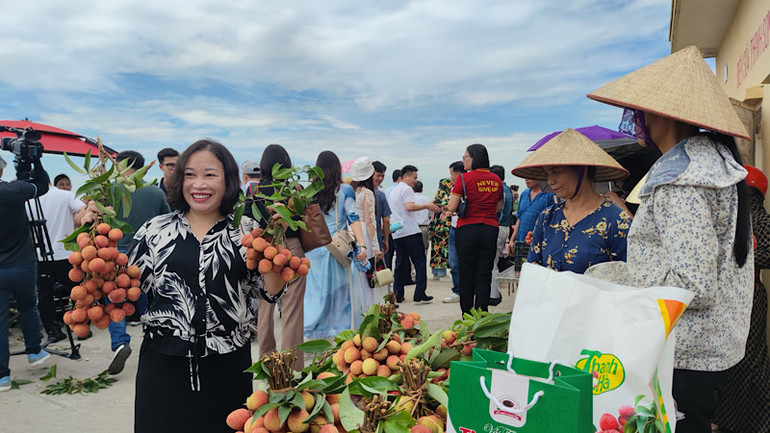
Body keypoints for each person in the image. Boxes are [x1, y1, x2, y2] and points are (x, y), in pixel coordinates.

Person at [584, 46, 753, 433]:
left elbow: (693, 283)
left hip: (685, 352)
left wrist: (619, 281)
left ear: (665, 114)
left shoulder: (682, 178)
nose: (637, 120)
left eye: (641, 111)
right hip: (711, 346)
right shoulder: (714, 161)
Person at [120, 139, 285, 432]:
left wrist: (274, 248)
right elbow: (125, 286)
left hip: (227, 365)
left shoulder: (246, 232)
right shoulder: (155, 230)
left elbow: (270, 291)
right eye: (190, 174)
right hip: (163, 364)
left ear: (228, 180)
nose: (200, 184)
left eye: (210, 174)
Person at [511, 129, 631, 274]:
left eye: (556, 171)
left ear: (583, 170)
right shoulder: (547, 218)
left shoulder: (616, 220)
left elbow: (627, 277)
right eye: (547, 174)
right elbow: (534, 268)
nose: (550, 181)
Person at [712, 165, 770, 433]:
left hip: (737, 299)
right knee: (749, 363)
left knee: (737, 362)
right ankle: (749, 423)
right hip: (750, 298)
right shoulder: (756, 219)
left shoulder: (740, 217)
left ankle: (733, 423)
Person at [107, 151, 171, 375]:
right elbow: (168, 223)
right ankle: (151, 343)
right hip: (148, 254)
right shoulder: (155, 192)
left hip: (116, 253)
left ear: (120, 164)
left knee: (115, 301)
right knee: (147, 301)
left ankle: (120, 343)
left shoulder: (110, 189)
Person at [0, 153, 51, 392]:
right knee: (28, 306)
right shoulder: (14, 191)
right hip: (22, 264)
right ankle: (34, 351)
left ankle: (2, 377)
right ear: (1, 171)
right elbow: (42, 185)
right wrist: (35, 160)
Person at [254, 144, 307, 371]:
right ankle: (291, 369)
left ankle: (267, 363)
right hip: (292, 249)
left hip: (264, 250)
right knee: (292, 309)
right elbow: (304, 217)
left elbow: (250, 222)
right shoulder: (295, 189)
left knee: (264, 306)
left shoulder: (255, 191)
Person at [303, 151, 367, 338]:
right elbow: (353, 218)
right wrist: (361, 245)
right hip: (337, 249)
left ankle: (312, 332)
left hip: (314, 249)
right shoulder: (345, 190)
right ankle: (339, 333)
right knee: (339, 294)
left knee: (315, 294)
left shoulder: (309, 192)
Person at [446, 145, 503, 314]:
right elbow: (498, 207)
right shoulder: (496, 180)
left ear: (474, 158)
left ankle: (467, 313)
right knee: (484, 273)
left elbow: (452, 206)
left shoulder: (463, 179)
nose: (464, 160)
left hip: (467, 229)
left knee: (466, 271)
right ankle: (482, 311)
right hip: (490, 228)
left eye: (465, 157)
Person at [36, 180, 88, 344]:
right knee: (76, 292)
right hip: (66, 254)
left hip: (40, 256)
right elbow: (82, 211)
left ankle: (53, 332)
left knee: (45, 296)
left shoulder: (28, 199)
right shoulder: (65, 195)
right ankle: (80, 329)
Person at [387, 165, 440, 304]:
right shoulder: (407, 189)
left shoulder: (393, 191)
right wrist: (427, 206)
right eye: (414, 178)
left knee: (401, 262)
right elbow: (409, 207)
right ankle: (420, 292)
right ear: (406, 176)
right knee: (420, 261)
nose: (415, 181)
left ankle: (398, 293)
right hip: (410, 229)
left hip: (398, 231)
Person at [350, 157, 388, 316]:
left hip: (354, 233)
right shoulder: (368, 194)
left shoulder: (354, 191)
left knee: (358, 277)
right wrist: (376, 247)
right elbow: (371, 222)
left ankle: (359, 312)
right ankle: (369, 311)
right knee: (369, 276)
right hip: (365, 234)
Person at [487, 165, 514, 305]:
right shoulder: (508, 189)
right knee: (495, 261)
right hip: (505, 227)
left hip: (497, 227)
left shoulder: (499, 190)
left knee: (491, 263)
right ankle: (494, 293)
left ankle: (493, 294)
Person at [442, 161, 466, 303]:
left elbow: (453, 208)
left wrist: (449, 210)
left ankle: (462, 290)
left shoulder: (465, 186)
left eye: (451, 174)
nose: (450, 177)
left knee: (460, 261)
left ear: (458, 173)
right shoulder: (455, 188)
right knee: (454, 261)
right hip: (454, 227)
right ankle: (457, 290)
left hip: (463, 228)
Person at [429, 175, 452, 281]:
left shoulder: (437, 196)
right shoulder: (447, 197)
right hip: (444, 227)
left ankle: (436, 272)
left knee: (436, 248)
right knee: (443, 249)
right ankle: (442, 273)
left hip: (436, 227)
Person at [371, 161, 392, 260]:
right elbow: (386, 220)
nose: (381, 179)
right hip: (376, 239)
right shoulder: (380, 195)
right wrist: (386, 240)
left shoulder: (355, 192)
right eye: (378, 175)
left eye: (383, 176)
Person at [383, 168, 401, 270]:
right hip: (399, 226)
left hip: (389, 226)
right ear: (400, 178)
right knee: (400, 253)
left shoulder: (386, 191)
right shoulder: (402, 190)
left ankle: (388, 272)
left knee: (388, 252)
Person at [412, 181, 432, 259]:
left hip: (412, 227)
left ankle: (413, 269)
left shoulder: (410, 199)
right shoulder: (426, 199)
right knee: (424, 249)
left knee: (412, 249)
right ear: (422, 189)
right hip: (424, 227)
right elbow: (430, 215)